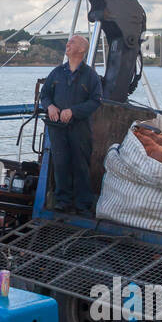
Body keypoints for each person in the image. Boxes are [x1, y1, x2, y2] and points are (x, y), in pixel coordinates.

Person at [39, 34, 103, 213]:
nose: (68, 43)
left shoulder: (91, 76)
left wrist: (73, 111)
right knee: (60, 163)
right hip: (57, 128)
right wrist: (50, 106)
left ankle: (83, 205)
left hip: (79, 128)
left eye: (72, 42)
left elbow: (96, 101)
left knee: (80, 165)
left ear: (82, 49)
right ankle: (63, 202)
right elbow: (44, 95)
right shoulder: (57, 73)